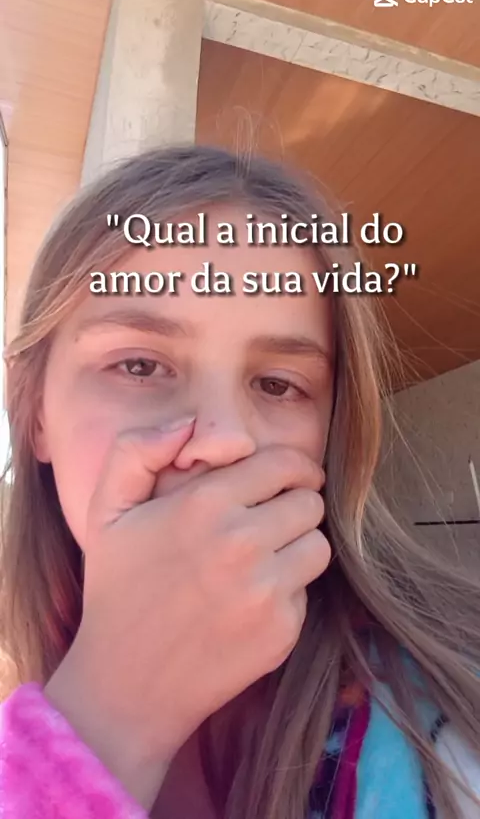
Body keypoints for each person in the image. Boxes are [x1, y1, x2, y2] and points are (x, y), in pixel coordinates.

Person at [0, 146, 479, 819]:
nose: (223, 440)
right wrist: (108, 715)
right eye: (139, 366)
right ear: (33, 409)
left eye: (279, 385)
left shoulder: (450, 723)